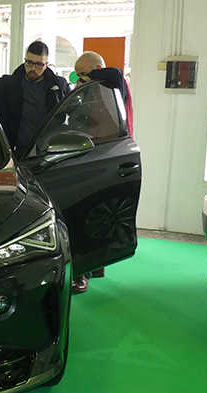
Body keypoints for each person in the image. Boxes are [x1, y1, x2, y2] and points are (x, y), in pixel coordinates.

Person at [70, 51, 135, 293]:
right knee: (99, 213)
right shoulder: (95, 91)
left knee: (86, 212)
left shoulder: (115, 83)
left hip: (108, 158)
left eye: (83, 73)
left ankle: (82, 272)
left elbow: (114, 73)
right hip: (98, 156)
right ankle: (97, 265)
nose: (80, 79)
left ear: (97, 69)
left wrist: (90, 79)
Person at [0, 41, 70, 158]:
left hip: (51, 152)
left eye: (39, 64)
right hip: (19, 153)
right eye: (29, 63)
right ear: (25, 60)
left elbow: (73, 108)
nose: (33, 68)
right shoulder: (8, 84)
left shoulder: (58, 86)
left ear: (46, 65)